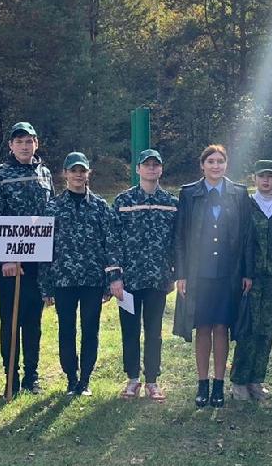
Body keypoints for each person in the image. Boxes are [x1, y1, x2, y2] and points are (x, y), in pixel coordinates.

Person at [174, 144, 254, 409]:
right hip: (199, 273)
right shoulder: (189, 194)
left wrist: (247, 272)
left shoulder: (239, 194)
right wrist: (182, 273)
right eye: (211, 161)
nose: (216, 166)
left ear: (226, 165)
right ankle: (202, 384)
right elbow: (181, 236)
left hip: (228, 274)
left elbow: (247, 237)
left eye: (220, 161)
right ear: (202, 165)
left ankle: (219, 385)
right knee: (203, 328)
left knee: (222, 327)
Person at [41, 152, 122, 396]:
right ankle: (70, 378)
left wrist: (110, 282)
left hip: (92, 281)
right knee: (66, 329)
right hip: (63, 280)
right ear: (64, 173)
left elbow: (111, 245)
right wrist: (45, 287)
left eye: (82, 170)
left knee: (90, 329)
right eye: (73, 170)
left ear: (88, 174)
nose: (78, 175)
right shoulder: (52, 207)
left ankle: (85, 379)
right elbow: (44, 249)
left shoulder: (100, 207)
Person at [0, 122, 54, 394]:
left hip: (39, 261)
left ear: (36, 144)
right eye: (19, 141)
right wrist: (6, 258)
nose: (25, 146)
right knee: (10, 319)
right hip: (12, 261)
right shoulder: (0, 174)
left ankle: (32, 376)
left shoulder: (45, 173)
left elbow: (50, 213)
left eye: (29, 141)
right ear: (11, 146)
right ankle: (10, 375)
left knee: (33, 319)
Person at [112, 149, 178, 402]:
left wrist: (175, 272)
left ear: (161, 169)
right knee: (130, 330)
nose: (151, 169)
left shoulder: (171, 203)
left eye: (155, 165)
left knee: (154, 331)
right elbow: (114, 242)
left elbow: (176, 242)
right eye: (146, 165)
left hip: (158, 280)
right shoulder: (123, 201)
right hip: (128, 281)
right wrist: (115, 277)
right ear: (137, 169)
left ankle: (152, 380)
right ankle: (132, 379)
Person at [230, 160, 272, 401]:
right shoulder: (245, 206)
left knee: (266, 329)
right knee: (248, 328)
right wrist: (244, 273)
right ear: (254, 178)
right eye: (261, 176)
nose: (266, 181)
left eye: (270, 177)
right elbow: (237, 242)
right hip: (250, 279)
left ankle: (256, 379)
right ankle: (239, 380)